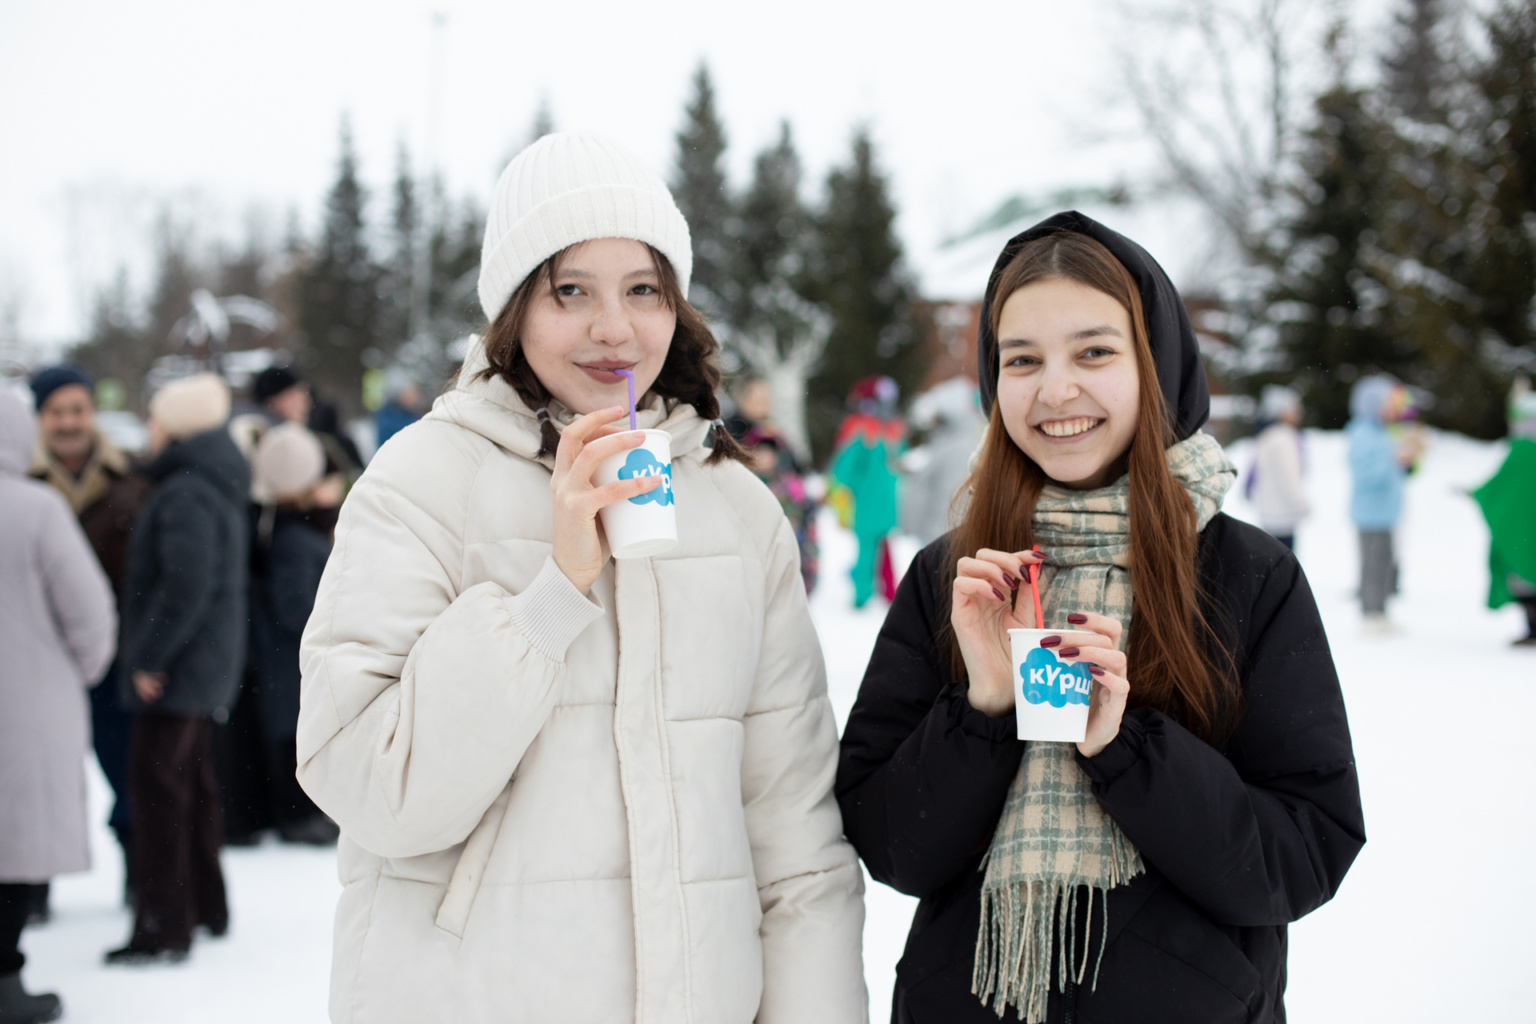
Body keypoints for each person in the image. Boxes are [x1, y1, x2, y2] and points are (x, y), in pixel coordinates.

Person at [295, 132, 866, 1023]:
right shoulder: (421, 484)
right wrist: (553, 592)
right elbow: (374, 790)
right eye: (572, 291)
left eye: (644, 289)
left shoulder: (738, 511)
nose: (615, 327)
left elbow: (794, 840)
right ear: (514, 309)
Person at [836, 212, 1364, 1023]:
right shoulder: (957, 576)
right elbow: (892, 848)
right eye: (1022, 360)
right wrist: (983, 705)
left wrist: (1127, 748)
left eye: (1094, 352)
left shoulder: (1247, 574)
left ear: (1156, 364)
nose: (1055, 390)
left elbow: (1300, 855)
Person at [108, 373, 250, 965]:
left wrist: (148, 658)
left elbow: (186, 585)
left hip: (178, 670)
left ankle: (165, 926)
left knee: (159, 792)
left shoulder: (186, 489)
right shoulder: (210, 479)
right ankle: (206, 907)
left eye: (156, 418)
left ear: (178, 425)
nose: (149, 429)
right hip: (203, 664)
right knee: (190, 785)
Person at [1, 386, 117, 1024]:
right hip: (26, 712)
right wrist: (80, 670)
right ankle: (4, 980)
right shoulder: (37, 508)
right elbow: (90, 609)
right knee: (12, 850)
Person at [27, 364, 149, 910]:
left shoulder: (132, 483)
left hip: (115, 660)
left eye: (77, 410)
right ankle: (30, 887)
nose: (68, 422)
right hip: (35, 666)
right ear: (38, 420)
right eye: (56, 412)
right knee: (32, 784)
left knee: (125, 769)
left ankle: (138, 873)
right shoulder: (20, 487)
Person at [247, 424, 340, 842]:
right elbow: (295, 604)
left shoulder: (286, 530)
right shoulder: (297, 538)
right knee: (292, 734)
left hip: (288, 661)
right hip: (290, 664)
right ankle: (297, 816)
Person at [728, 376, 820, 593]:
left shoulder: (771, 428)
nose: (765, 404)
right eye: (758, 398)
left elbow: (798, 466)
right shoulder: (729, 429)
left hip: (784, 517)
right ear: (742, 399)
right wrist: (751, 458)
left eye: (767, 399)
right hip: (747, 518)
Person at [1346, 375, 1423, 633]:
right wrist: (1393, 459)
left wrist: (1408, 461)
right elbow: (1364, 473)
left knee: (1386, 563)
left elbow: (1397, 468)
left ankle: (1382, 609)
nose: (1393, 410)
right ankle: (1370, 613)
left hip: (1387, 512)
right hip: (1369, 512)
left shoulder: (1385, 432)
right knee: (1372, 564)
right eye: (1387, 404)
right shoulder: (1361, 432)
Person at [828, 376, 905, 608]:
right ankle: (862, 593)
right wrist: (853, 489)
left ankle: (874, 590)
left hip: (881, 501)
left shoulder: (890, 431)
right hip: (867, 502)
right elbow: (843, 469)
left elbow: (895, 462)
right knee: (866, 548)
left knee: (875, 547)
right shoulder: (862, 432)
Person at [1473, 378, 1536, 646]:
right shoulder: (1523, 450)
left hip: (1523, 532)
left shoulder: (1522, 451)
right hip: (1525, 529)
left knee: (1525, 577)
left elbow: (1501, 488)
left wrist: (1480, 494)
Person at [900, 375, 986, 546]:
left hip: (937, 536)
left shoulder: (946, 447)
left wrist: (910, 527)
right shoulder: (980, 444)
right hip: (967, 537)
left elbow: (921, 490)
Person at [1248, 384, 1310, 550]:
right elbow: (1288, 475)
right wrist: (1300, 504)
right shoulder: (1283, 438)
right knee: (1286, 563)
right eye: (1294, 409)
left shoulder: (1266, 435)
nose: (1298, 413)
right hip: (1283, 513)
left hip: (1269, 511)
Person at [374, 373, 423, 449]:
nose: (416, 396)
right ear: (400, 394)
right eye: (411, 392)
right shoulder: (389, 422)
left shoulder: (411, 415)